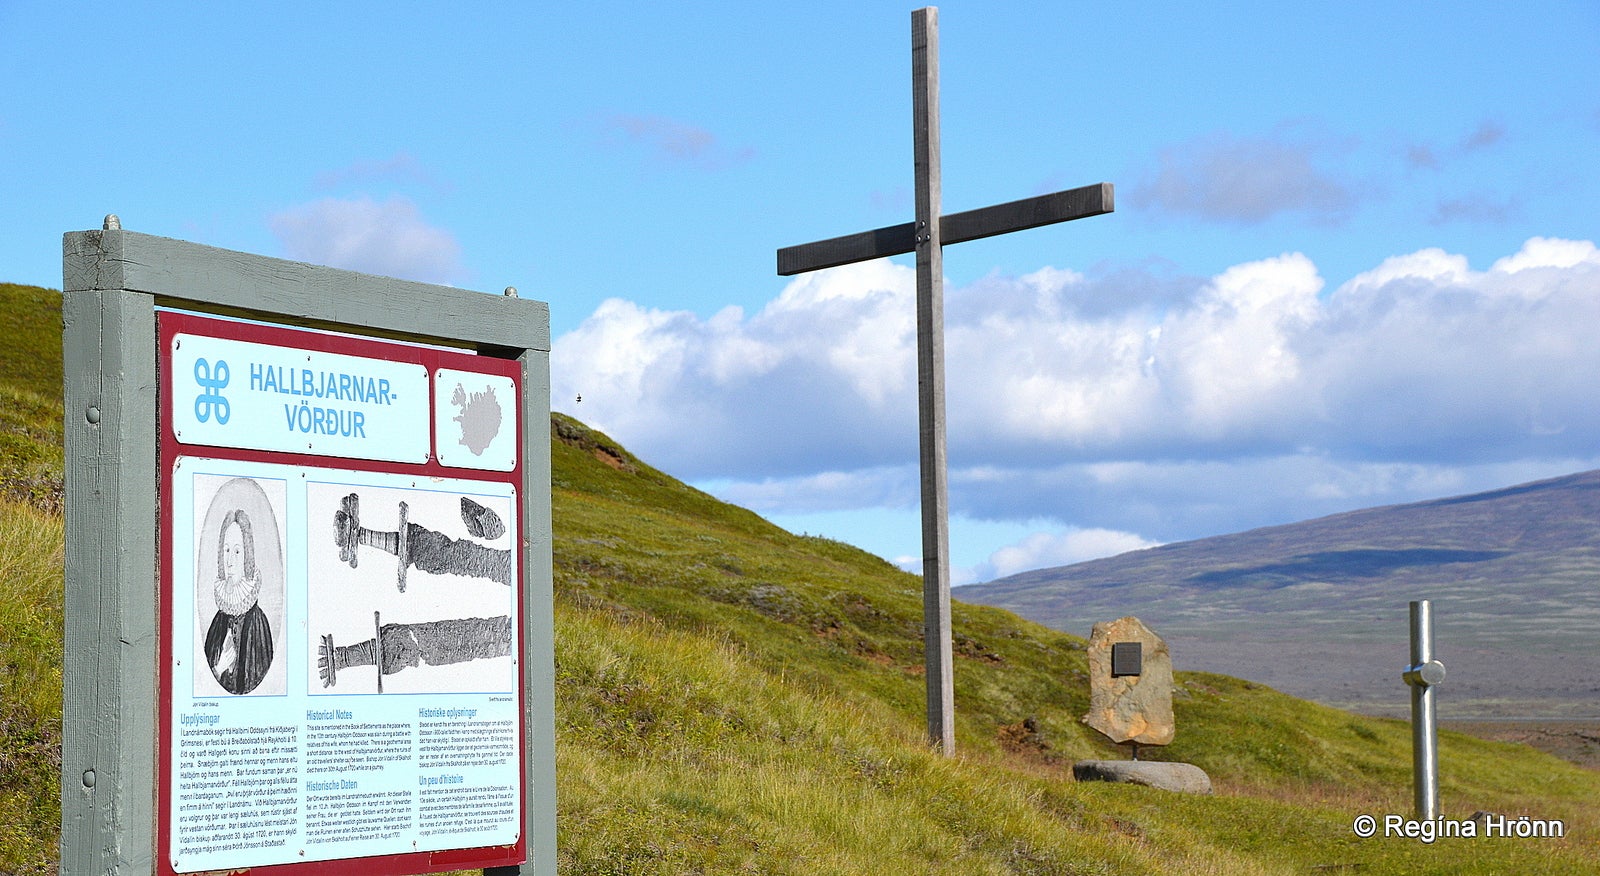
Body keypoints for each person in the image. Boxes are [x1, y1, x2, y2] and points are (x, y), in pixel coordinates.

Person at [203, 509, 274, 694]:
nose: (230, 561)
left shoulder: (259, 622)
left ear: (247, 555)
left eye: (237, 551)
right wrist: (219, 669)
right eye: (226, 550)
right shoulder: (218, 620)